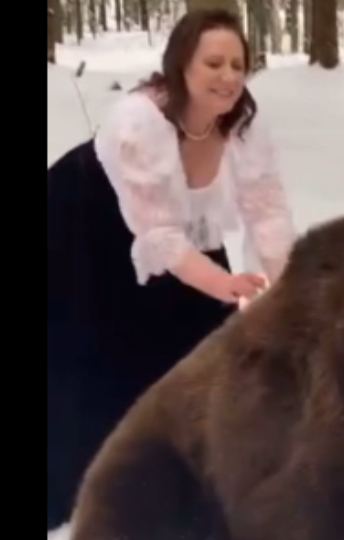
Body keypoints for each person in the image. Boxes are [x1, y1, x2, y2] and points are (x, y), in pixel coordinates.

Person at [46, 8, 296, 530]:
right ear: (182, 64)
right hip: (86, 226)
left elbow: (267, 210)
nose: (229, 76)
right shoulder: (139, 125)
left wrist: (292, 286)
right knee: (90, 364)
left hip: (179, 234)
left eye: (237, 64)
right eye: (213, 63)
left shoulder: (243, 127)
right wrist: (223, 282)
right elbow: (158, 237)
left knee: (205, 359)